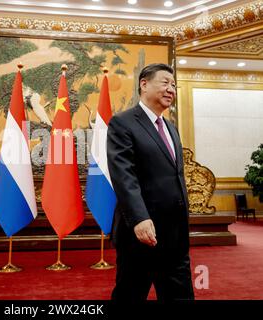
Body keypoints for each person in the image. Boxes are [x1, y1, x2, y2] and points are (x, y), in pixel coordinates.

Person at [107, 63, 194, 302]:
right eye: (165, 82)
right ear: (144, 84)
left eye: (174, 85)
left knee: (181, 295)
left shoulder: (171, 128)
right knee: (130, 294)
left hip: (175, 235)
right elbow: (124, 176)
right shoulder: (122, 123)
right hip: (142, 233)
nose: (171, 89)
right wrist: (139, 218)